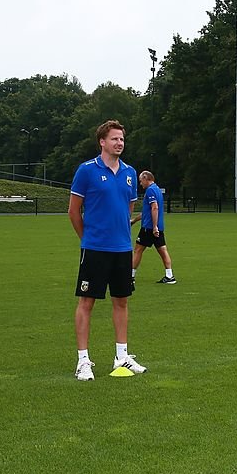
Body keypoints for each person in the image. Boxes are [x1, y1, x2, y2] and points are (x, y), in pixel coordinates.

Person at [68, 119, 147, 381]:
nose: (119, 143)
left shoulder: (130, 173)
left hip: (122, 249)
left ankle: (122, 356)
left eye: (122, 139)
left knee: (121, 301)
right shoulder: (86, 170)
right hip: (95, 248)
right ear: (102, 141)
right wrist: (88, 238)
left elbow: (129, 208)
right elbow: (73, 211)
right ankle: (83, 360)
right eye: (114, 139)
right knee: (87, 301)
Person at [131, 170, 176, 285]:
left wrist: (154, 226)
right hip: (158, 227)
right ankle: (170, 276)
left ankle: (130, 276)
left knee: (138, 250)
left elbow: (154, 208)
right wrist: (134, 221)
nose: (141, 184)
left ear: (146, 178)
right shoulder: (157, 189)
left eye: (141, 181)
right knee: (163, 250)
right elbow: (147, 212)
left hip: (149, 228)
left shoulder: (150, 190)